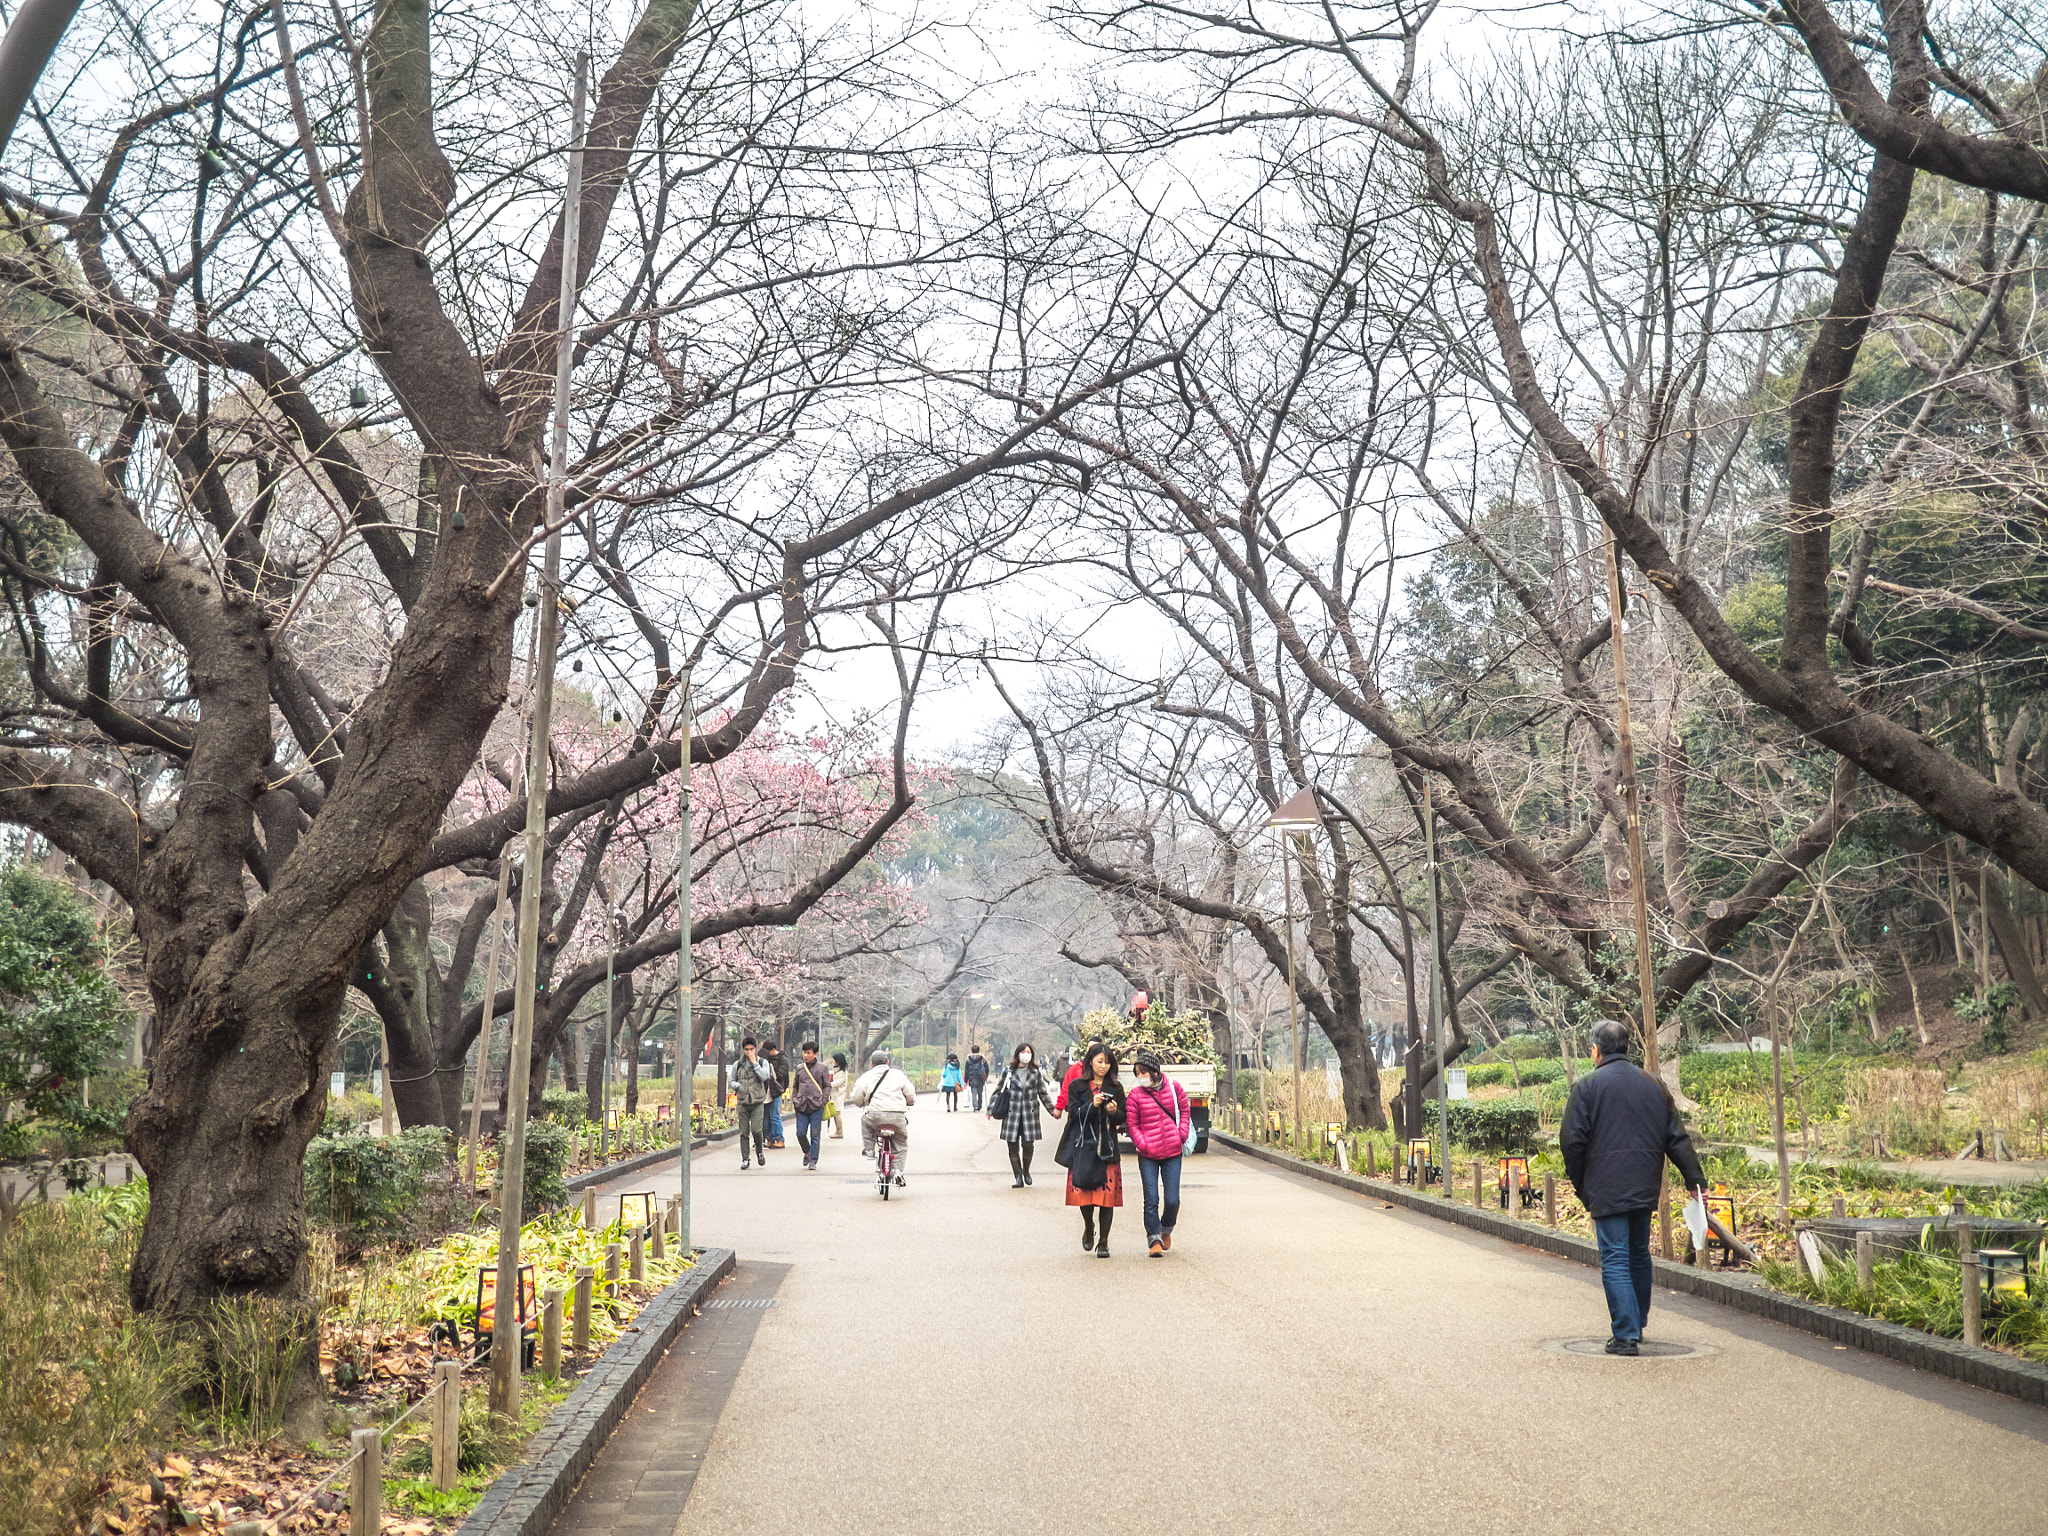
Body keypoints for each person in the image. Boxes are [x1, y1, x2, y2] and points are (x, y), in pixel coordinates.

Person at [1561, 1018, 1710, 1355]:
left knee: (1614, 1256)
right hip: (1644, 1186)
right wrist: (1694, 1179)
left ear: (1596, 1050)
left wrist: (1580, 1181)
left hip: (1605, 1187)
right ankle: (1637, 1325)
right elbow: (1676, 1137)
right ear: (1627, 1048)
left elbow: (1572, 1141)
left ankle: (1625, 1335)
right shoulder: (1654, 1085)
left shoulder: (1586, 1086)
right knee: (1639, 1255)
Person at [1059, 1042, 1125, 1256]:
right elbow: (1073, 1114)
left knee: (1107, 1199)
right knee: (1085, 1195)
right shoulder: (1077, 1085)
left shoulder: (1116, 1088)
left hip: (1107, 1146)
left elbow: (1123, 1119)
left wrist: (1114, 1112)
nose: (1103, 1066)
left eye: (1107, 1062)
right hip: (1084, 1147)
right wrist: (1091, 1105)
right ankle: (1089, 1226)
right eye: (1099, 1061)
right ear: (1090, 1062)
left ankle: (1104, 1242)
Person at [1125, 1049, 1191, 1257]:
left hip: (1172, 1151)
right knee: (1151, 1198)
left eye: (1143, 1072)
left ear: (1154, 1071)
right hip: (1148, 1155)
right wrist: (1142, 1143)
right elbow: (1132, 1124)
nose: (1140, 1077)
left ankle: (1166, 1229)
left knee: (1172, 1199)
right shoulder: (1135, 1095)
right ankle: (1154, 1238)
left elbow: (1185, 1111)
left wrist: (1181, 1135)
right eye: (1137, 1073)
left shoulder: (1174, 1087)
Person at [849, 1048, 917, 1185]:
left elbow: (856, 1098)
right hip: (897, 1116)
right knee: (901, 1143)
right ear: (887, 1062)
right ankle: (898, 1172)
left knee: (865, 1121)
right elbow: (910, 1093)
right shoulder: (898, 1074)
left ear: (872, 1063)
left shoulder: (866, 1076)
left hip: (874, 1115)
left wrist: (862, 1103)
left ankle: (869, 1149)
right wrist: (909, 1102)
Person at [995, 1042, 1057, 1187]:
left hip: (1029, 1115)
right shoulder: (1008, 1071)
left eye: (1028, 1052)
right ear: (1017, 1054)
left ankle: (1026, 1171)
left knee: (1028, 1145)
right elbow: (998, 1090)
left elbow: (1043, 1093)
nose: (1026, 1054)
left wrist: (1052, 1110)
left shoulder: (1035, 1073)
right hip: (1012, 1115)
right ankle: (1018, 1176)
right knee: (1012, 1146)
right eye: (1023, 1051)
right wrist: (991, 1109)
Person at [731, 1037, 774, 1168]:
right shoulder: (737, 1064)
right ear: (743, 1050)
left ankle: (759, 1152)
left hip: (757, 1101)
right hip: (743, 1102)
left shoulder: (763, 1062)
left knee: (756, 1130)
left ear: (755, 1049)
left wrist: (755, 1063)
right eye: (746, 1049)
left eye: (751, 1049)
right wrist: (738, 1086)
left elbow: (765, 1076)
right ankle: (745, 1159)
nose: (749, 1052)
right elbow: (732, 1080)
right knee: (744, 1132)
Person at [790, 1040, 832, 1170]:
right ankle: (807, 1151)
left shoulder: (822, 1068)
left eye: (808, 1053)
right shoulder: (799, 1068)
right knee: (800, 1133)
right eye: (804, 1053)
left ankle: (813, 1160)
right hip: (801, 1105)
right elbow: (796, 1085)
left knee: (815, 1135)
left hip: (816, 1106)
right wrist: (795, 1099)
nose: (805, 1055)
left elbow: (827, 1086)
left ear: (815, 1054)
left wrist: (823, 1100)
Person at [763, 1043, 790, 1148]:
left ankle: (780, 1138)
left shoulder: (783, 1059)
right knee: (768, 1116)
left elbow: (781, 1075)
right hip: (768, 1091)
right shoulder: (766, 1059)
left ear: (773, 1050)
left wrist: (771, 1068)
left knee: (774, 1115)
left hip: (776, 1090)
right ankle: (770, 1138)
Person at [827, 1050, 848, 1138]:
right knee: (835, 1114)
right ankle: (837, 1131)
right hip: (834, 1095)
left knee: (837, 1114)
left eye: (835, 1060)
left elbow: (838, 1083)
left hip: (839, 1095)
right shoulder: (836, 1070)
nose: (833, 1061)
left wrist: (828, 1084)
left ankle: (839, 1132)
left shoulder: (842, 1072)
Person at [964, 1046, 989, 1112]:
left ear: (972, 1051)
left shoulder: (968, 1060)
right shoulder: (983, 1060)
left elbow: (966, 1071)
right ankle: (979, 1106)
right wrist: (985, 1077)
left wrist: (966, 1081)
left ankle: (975, 1107)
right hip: (980, 1079)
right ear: (979, 1050)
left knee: (974, 1093)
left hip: (972, 1079)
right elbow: (986, 1069)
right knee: (980, 1093)